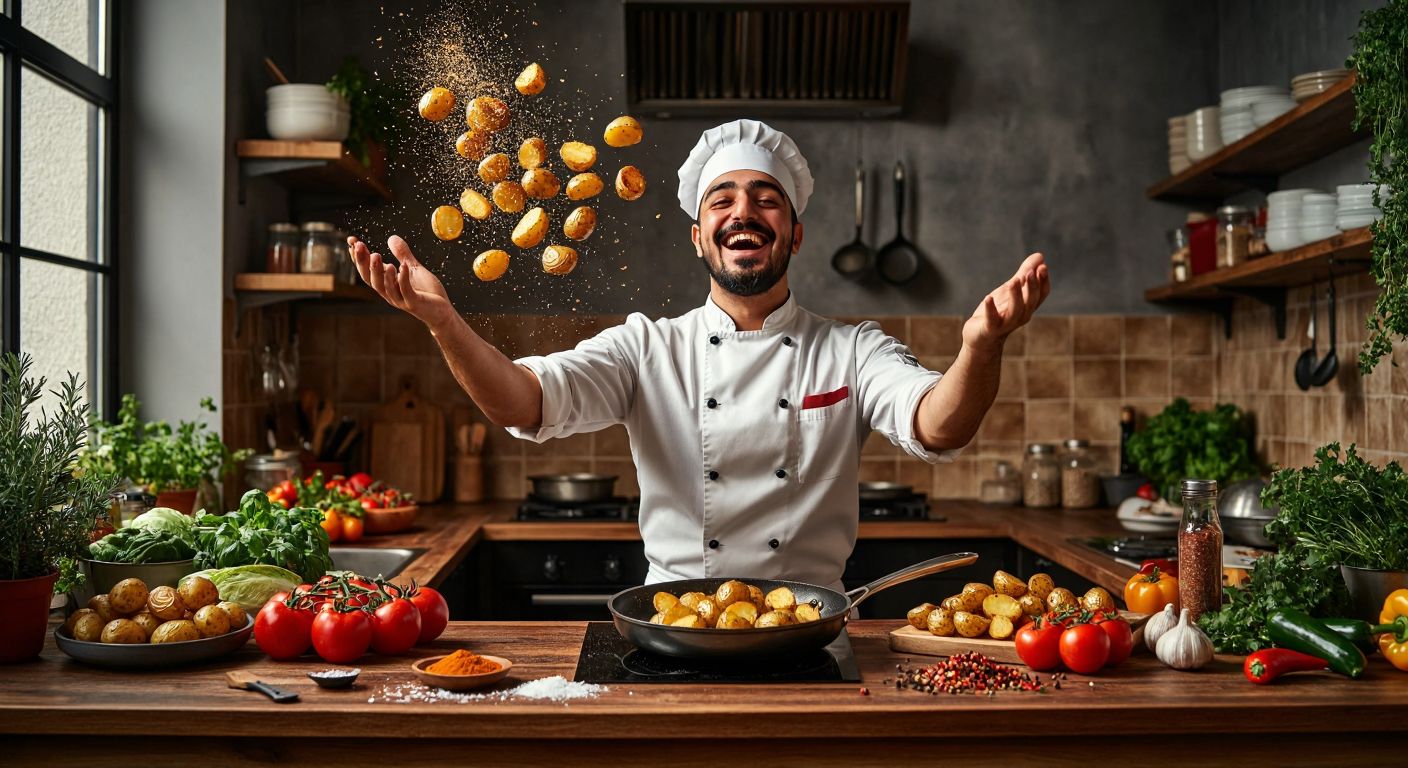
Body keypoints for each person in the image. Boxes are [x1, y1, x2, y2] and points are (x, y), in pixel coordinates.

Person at [348, 119, 1050, 591]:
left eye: (766, 199)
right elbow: (523, 401)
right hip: (671, 628)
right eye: (723, 199)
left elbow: (938, 425)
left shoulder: (852, 349)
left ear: (794, 235)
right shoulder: (645, 347)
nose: (744, 211)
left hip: (812, 633)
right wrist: (444, 323)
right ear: (698, 235)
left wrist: (981, 345)